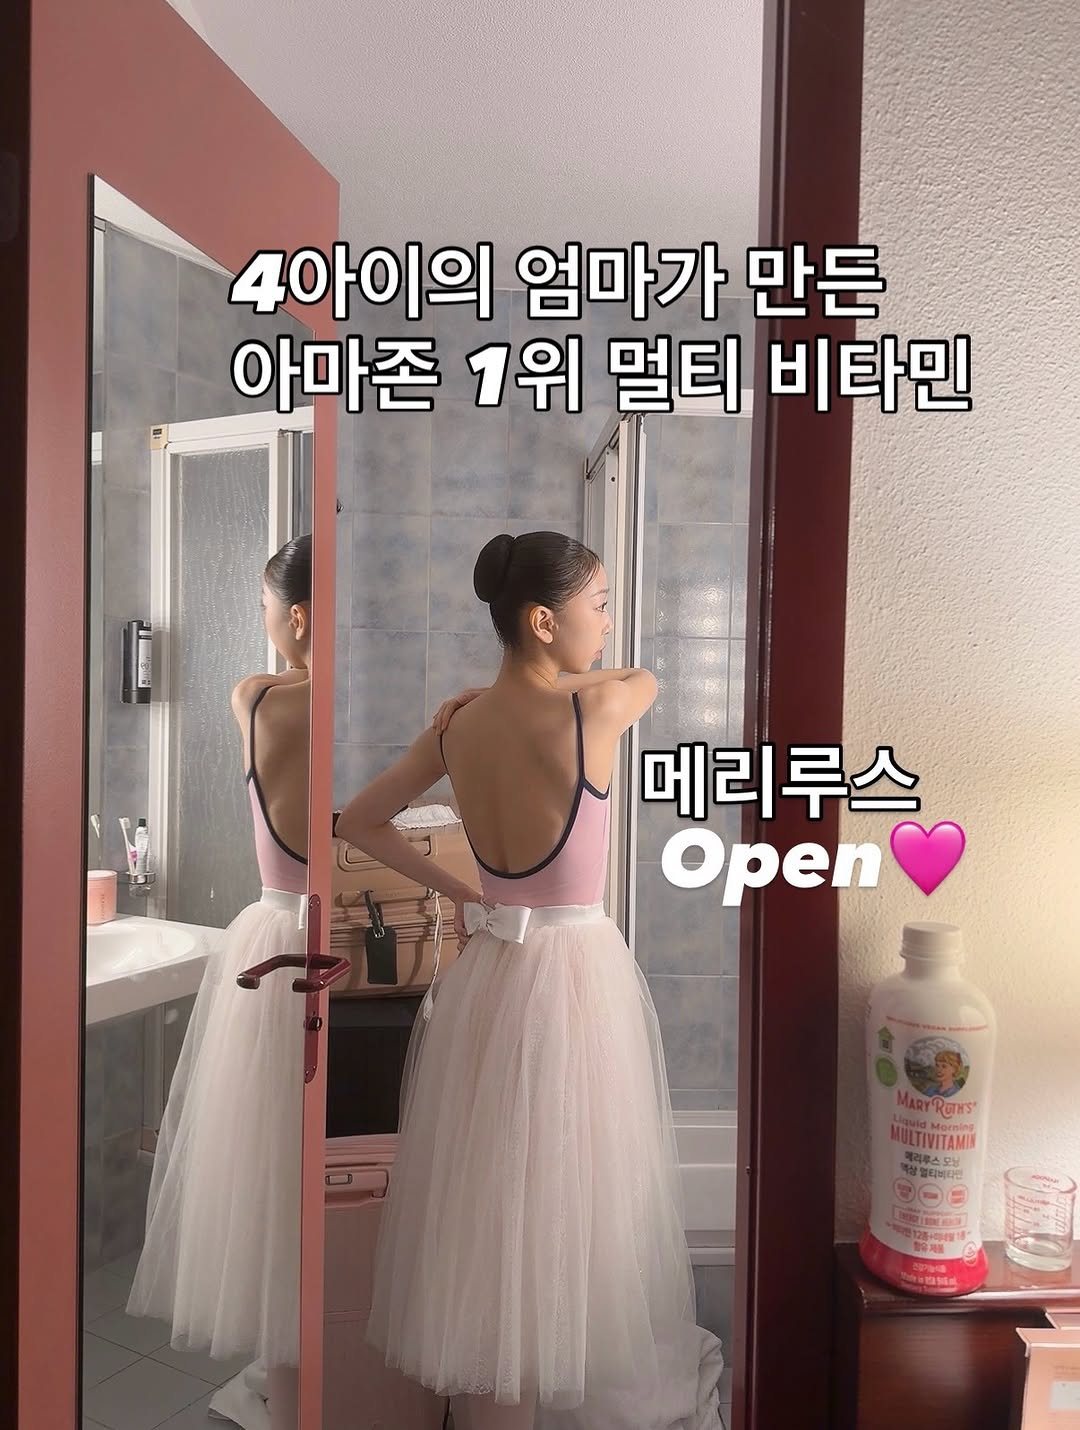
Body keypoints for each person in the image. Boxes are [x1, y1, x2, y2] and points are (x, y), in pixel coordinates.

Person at [336, 531, 724, 1430]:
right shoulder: (595, 710)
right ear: (544, 621)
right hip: (577, 975)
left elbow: (359, 820)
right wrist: (551, 684)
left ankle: (498, 1396)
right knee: (570, 1192)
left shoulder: (458, 728)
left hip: (495, 973)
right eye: (599, 606)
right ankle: (553, 1383)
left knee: (495, 1195)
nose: (609, 623)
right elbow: (645, 678)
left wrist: (464, 892)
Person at [127, 534, 315, 1430]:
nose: (262, 621)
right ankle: (314, 1364)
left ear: (298, 617)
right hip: (327, 933)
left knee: (270, 1163)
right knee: (311, 1159)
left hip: (273, 932)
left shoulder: (256, 697)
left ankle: (288, 1366)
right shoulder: (321, 699)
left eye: (265, 607)